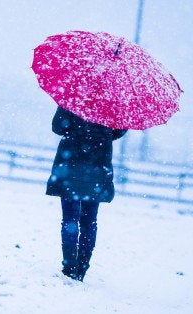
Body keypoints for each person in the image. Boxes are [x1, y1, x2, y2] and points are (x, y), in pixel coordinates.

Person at [46, 106, 127, 281]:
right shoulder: (113, 102)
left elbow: (58, 127)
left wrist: (77, 130)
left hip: (70, 164)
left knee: (69, 218)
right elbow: (119, 131)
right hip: (97, 164)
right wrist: (101, 134)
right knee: (90, 220)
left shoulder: (73, 96)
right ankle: (82, 267)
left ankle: (69, 266)